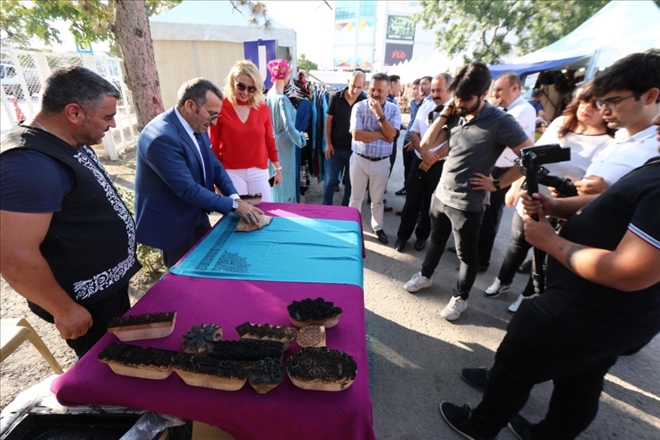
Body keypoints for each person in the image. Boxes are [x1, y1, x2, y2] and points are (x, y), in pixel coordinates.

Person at [443, 50, 660, 440]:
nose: (602, 109)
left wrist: (552, 242)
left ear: (651, 96)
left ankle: (481, 426)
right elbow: (617, 202)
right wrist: (559, 204)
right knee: (580, 377)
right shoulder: (638, 146)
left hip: (595, 305)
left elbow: (631, 270)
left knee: (519, 354)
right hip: (598, 304)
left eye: (613, 101)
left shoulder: (653, 154)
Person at [0, 66, 141, 357]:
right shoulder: (28, 164)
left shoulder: (67, 139)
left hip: (105, 291)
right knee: (101, 372)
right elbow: (14, 256)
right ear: (74, 113)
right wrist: (63, 310)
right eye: (107, 116)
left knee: (121, 358)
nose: (113, 124)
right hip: (82, 301)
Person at [403, 62, 533, 321]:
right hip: (441, 194)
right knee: (436, 241)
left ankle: (461, 297)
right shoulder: (454, 111)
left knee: (467, 255)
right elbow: (427, 143)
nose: (460, 102)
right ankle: (426, 276)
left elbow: (530, 158)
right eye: (457, 96)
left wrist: (497, 184)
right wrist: (446, 112)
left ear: (484, 93)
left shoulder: (500, 121)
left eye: (466, 98)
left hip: (468, 203)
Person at [484, 82, 615, 313]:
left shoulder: (610, 143)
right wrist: (516, 186)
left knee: (543, 253)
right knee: (516, 243)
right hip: (531, 197)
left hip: (564, 209)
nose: (587, 108)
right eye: (584, 100)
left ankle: (528, 295)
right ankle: (503, 281)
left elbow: (597, 186)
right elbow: (530, 158)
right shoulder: (560, 124)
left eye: (596, 104)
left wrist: (572, 189)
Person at [135, 77, 263, 268]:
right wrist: (234, 206)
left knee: (206, 266)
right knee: (184, 277)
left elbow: (214, 165)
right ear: (190, 106)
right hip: (173, 224)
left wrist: (235, 198)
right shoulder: (161, 137)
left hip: (196, 214)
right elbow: (187, 189)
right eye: (212, 115)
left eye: (216, 116)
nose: (213, 123)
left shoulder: (195, 123)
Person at [476, 72, 536, 272]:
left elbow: (493, 130)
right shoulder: (507, 109)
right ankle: (475, 250)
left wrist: (490, 105)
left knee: (490, 215)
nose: (497, 94)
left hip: (505, 169)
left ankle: (482, 259)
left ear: (515, 88)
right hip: (493, 165)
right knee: (482, 213)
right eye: (495, 90)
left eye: (500, 89)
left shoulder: (523, 110)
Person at [395, 73, 452, 253]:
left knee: (430, 206)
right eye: (433, 90)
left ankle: (421, 237)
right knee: (411, 202)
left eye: (439, 90)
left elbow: (455, 141)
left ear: (450, 89)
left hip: (440, 167)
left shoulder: (457, 111)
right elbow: (414, 132)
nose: (434, 94)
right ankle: (402, 237)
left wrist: (432, 158)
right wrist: (424, 153)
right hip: (418, 161)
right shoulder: (425, 106)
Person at [209, 60, 281, 202]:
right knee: (235, 217)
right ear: (232, 82)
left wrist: (278, 168)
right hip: (230, 172)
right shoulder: (221, 107)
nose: (245, 92)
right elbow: (213, 145)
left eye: (251, 88)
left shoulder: (262, 108)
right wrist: (216, 177)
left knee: (267, 213)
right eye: (241, 86)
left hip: (259, 171)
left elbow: (269, 140)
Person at [349, 73, 402, 245]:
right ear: (368, 88)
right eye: (373, 89)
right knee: (355, 198)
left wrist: (380, 115)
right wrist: (382, 134)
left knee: (377, 200)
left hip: (381, 162)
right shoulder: (359, 107)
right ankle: (352, 226)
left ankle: (377, 228)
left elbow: (392, 135)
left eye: (380, 90)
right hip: (359, 160)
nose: (376, 93)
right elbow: (357, 135)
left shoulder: (394, 110)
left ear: (388, 91)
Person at [266, 59, 308, 203]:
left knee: (275, 181)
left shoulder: (268, 96)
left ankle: (276, 208)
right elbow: (289, 126)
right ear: (285, 75)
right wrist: (301, 138)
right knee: (286, 182)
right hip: (284, 145)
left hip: (272, 144)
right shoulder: (281, 99)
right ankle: (285, 213)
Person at [323, 70, 366, 206]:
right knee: (330, 181)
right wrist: (328, 143)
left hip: (354, 150)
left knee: (350, 184)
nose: (355, 90)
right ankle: (326, 209)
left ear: (363, 87)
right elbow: (329, 121)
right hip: (335, 148)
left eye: (359, 87)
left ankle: (344, 211)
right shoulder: (336, 97)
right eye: (353, 85)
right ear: (348, 82)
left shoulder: (364, 100)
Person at [395, 77, 428, 198]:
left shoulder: (426, 104)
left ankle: (411, 192)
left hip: (417, 142)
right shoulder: (412, 103)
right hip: (408, 137)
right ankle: (406, 187)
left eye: (418, 88)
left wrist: (415, 141)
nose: (415, 91)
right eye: (413, 88)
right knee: (407, 166)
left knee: (414, 171)